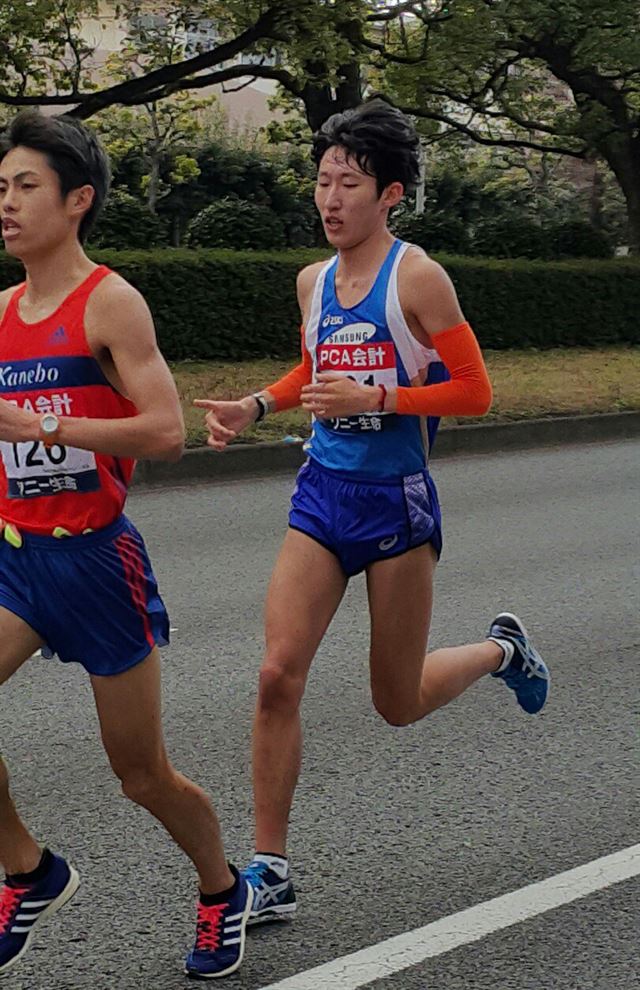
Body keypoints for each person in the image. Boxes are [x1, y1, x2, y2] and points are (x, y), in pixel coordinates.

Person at [195, 99, 550, 924]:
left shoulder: (418, 277)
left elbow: (476, 391)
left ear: (389, 193)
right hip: (323, 494)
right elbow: (314, 368)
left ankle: (503, 651)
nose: (329, 198)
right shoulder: (313, 280)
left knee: (397, 702)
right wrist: (259, 403)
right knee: (276, 674)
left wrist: (380, 394)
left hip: (396, 503)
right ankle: (270, 870)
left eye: (347, 182)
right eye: (321, 180)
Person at [0, 111, 251, 979]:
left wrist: (41, 421)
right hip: (17, 559)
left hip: (99, 563)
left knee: (141, 776)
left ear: (77, 200)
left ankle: (223, 889)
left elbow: (166, 431)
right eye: (1, 186)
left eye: (25, 185)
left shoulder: (108, 301)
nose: (7, 202)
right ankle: (29, 870)